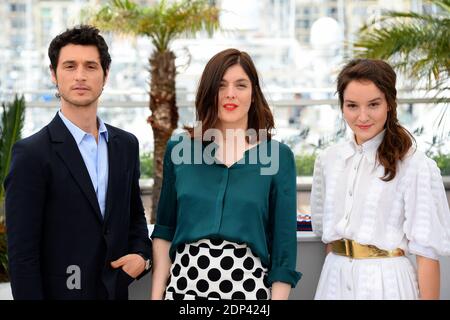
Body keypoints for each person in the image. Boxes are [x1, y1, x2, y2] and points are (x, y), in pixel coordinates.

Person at [4, 25, 152, 300]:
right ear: (53, 74)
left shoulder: (126, 145)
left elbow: (134, 215)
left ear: (105, 75)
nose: (80, 76)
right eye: (70, 66)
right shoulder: (31, 154)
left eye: (91, 66)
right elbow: (22, 255)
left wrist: (142, 256)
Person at [151, 48, 301, 300]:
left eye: (240, 85)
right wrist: (156, 297)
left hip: (249, 294)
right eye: (221, 85)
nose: (230, 94)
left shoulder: (278, 156)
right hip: (183, 291)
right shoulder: (179, 149)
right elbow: (165, 230)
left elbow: (284, 249)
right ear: (209, 93)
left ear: (253, 94)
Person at [311, 58, 450, 300]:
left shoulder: (415, 164)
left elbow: (427, 254)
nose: (362, 116)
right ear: (342, 106)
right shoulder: (328, 160)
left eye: (373, 104)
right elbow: (328, 236)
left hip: (389, 285)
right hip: (333, 281)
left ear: (389, 104)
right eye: (352, 105)